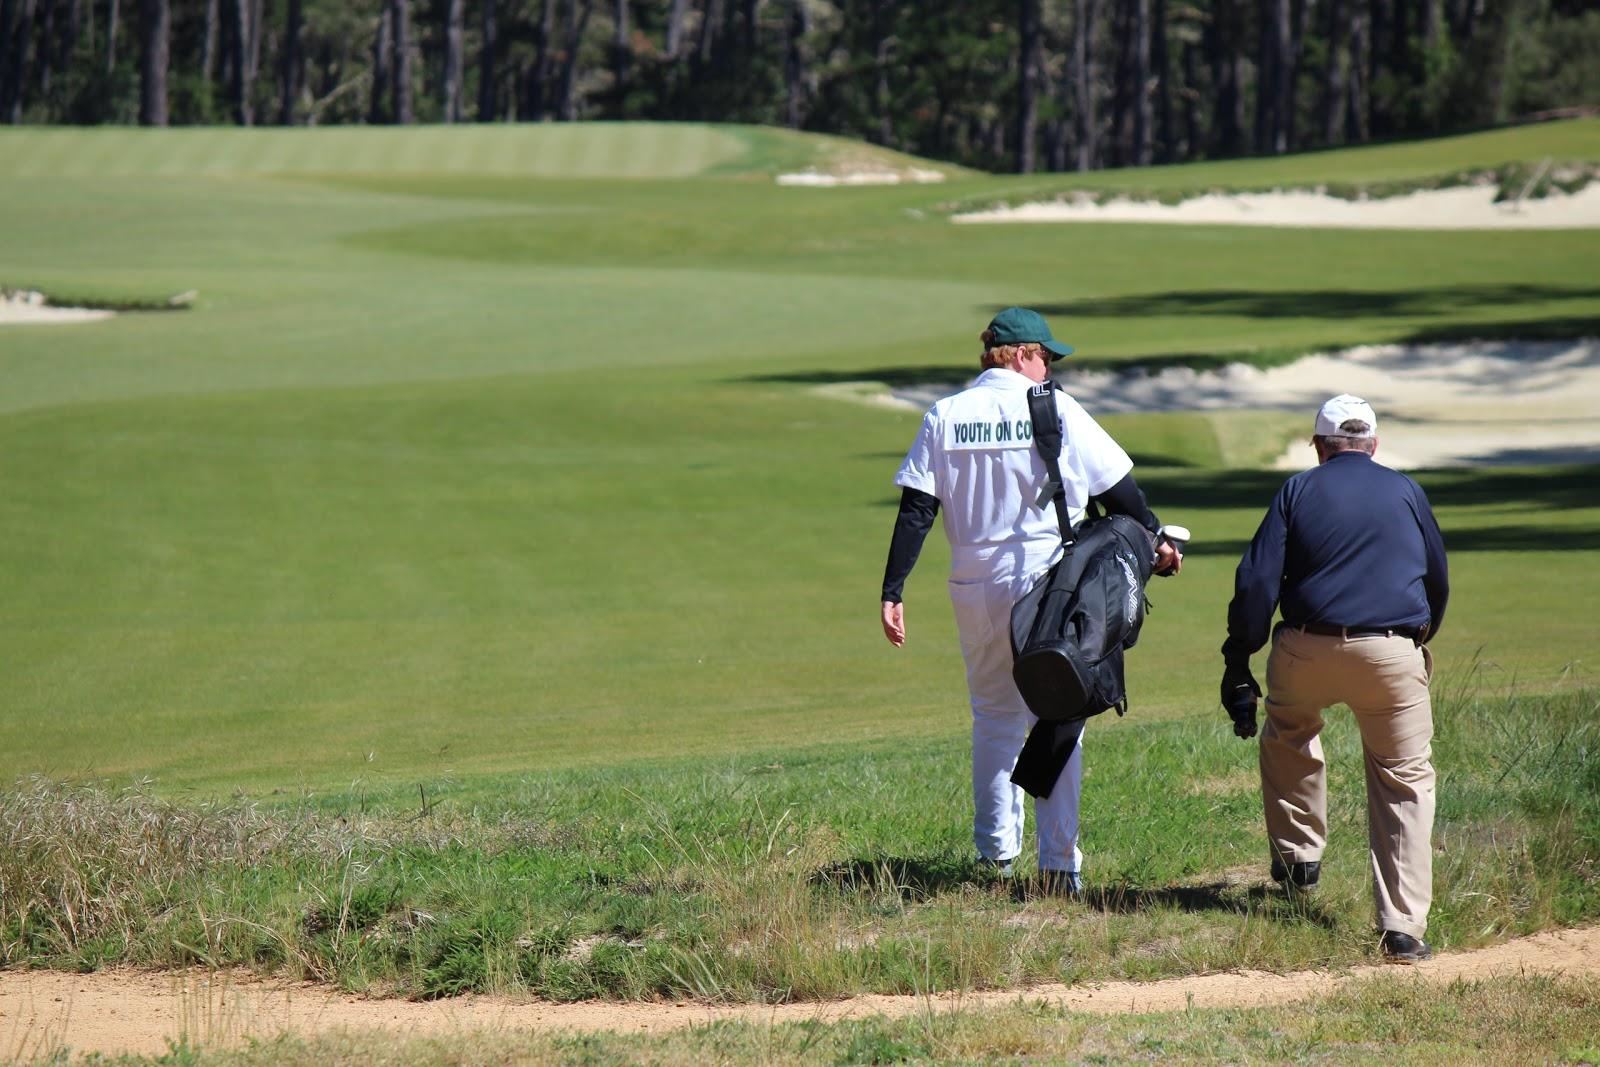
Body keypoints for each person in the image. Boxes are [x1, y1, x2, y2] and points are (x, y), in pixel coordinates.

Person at [880, 307, 1180, 893]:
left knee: (993, 716)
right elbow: (1119, 491)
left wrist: (893, 590)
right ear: (1019, 355)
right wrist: (1158, 537)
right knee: (1060, 710)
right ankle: (1058, 866)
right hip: (1048, 583)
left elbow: (917, 510)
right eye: (1046, 357)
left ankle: (995, 858)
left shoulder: (945, 415)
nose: (1050, 368)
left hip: (973, 584)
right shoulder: (1056, 408)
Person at [1221, 394, 1448, 963]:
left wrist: (1238, 654)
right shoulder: (1406, 490)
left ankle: (1299, 857)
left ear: (1320, 446)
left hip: (1307, 647)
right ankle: (1401, 929)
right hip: (1392, 651)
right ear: (1372, 444)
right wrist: (1418, 641)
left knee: (1290, 729)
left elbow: (1256, 585)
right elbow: (1438, 579)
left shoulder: (1296, 490)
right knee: (1404, 778)